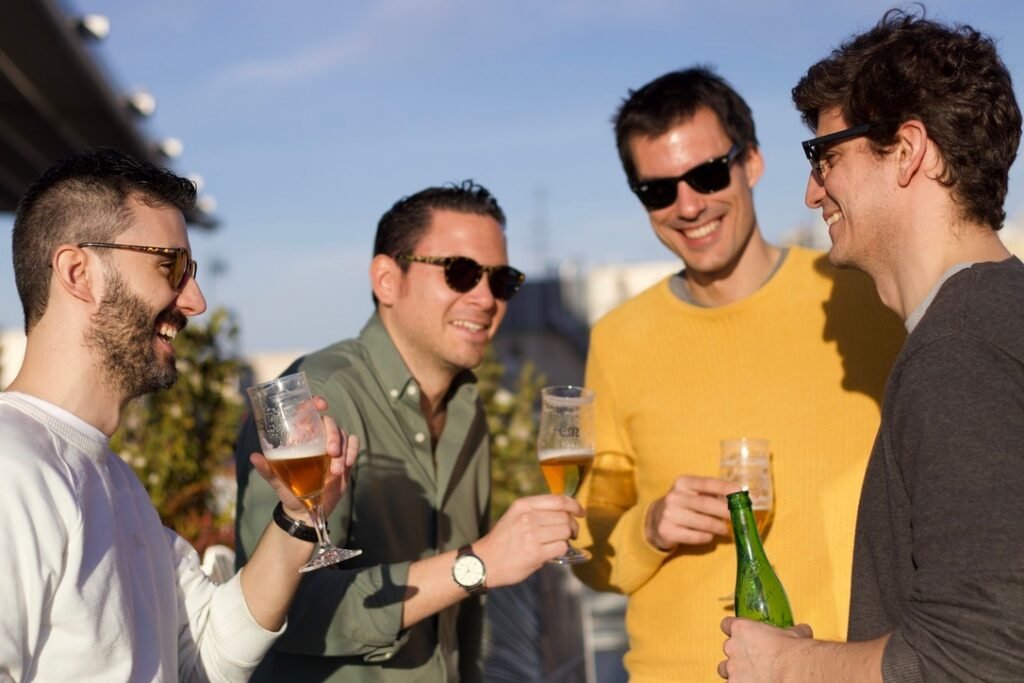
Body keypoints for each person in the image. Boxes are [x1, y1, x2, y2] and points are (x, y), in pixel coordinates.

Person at [571, 67, 905, 681]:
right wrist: (649, 526)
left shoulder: (861, 296)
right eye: (658, 191)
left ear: (751, 162)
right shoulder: (618, 339)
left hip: (845, 666)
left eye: (706, 174)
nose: (688, 205)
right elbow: (589, 550)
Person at [720, 10, 1024, 681]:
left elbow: (981, 655)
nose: (810, 192)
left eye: (826, 157)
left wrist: (787, 664)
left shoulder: (959, 354)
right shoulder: (994, 319)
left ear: (908, 149)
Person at [0, 148, 357, 682]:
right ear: (78, 272)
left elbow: (203, 655)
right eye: (172, 265)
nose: (195, 300)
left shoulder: (113, 479)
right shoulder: (12, 468)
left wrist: (300, 518)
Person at [234, 181, 583, 682]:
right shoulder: (318, 398)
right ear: (387, 280)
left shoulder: (468, 408)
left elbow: (461, 620)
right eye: (461, 273)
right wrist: (477, 563)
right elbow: (279, 614)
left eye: (502, 280)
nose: (485, 298)